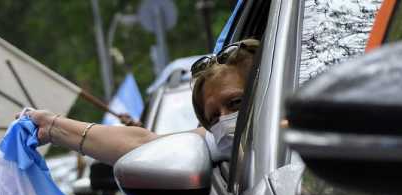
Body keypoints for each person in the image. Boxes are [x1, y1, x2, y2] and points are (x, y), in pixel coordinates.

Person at [23, 39, 259, 166]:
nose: (225, 119)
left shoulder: (292, 132)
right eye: (213, 118)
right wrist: (53, 127)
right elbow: (145, 145)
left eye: (236, 102)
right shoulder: (219, 143)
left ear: (264, 91)